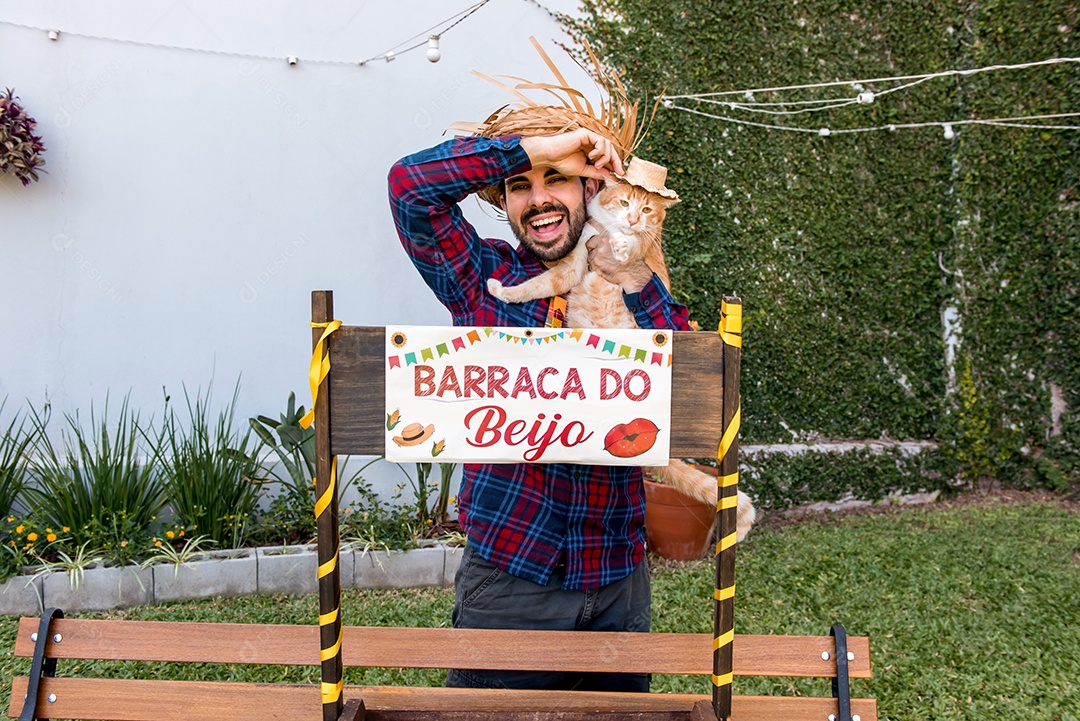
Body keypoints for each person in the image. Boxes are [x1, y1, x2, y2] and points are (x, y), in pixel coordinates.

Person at [387, 118, 692, 692]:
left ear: (591, 189)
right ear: (504, 200)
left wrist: (632, 274)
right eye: (520, 185)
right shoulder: (484, 280)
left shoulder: (631, 280)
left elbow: (687, 389)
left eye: (558, 179)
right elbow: (410, 187)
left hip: (618, 584)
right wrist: (543, 149)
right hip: (511, 582)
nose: (539, 199)